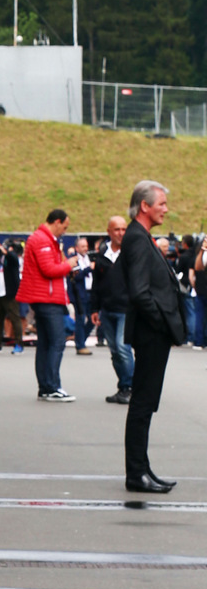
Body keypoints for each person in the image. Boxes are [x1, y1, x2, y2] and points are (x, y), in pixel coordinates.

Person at [120, 181, 184, 492]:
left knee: (146, 403)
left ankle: (142, 469)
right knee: (143, 403)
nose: (166, 209)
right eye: (161, 203)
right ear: (145, 206)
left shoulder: (139, 237)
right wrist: (161, 324)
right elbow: (140, 292)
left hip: (151, 332)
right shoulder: (136, 239)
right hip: (150, 334)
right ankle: (136, 474)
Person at [19, 208, 74, 400]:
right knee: (57, 341)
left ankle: (45, 386)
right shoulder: (42, 240)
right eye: (64, 227)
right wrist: (70, 264)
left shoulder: (41, 239)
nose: (64, 232)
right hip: (47, 298)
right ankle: (52, 386)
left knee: (46, 343)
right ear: (57, 222)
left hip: (42, 297)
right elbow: (49, 269)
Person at [91, 215, 133, 403]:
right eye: (117, 229)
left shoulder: (131, 253)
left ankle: (132, 387)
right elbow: (96, 284)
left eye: (124, 229)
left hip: (126, 309)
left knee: (123, 348)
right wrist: (94, 308)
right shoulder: (102, 255)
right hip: (107, 309)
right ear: (109, 232)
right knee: (114, 350)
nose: (121, 233)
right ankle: (123, 386)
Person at [173, 233, 201, 349]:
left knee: (189, 311)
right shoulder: (196, 254)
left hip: (185, 286)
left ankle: (189, 336)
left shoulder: (183, 257)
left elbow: (178, 271)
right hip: (194, 286)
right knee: (193, 311)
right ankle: (193, 337)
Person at [68, 235, 95, 356]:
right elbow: (76, 276)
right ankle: (80, 345)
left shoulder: (89, 258)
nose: (85, 248)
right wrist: (89, 269)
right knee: (80, 318)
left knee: (93, 319)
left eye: (86, 246)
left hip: (91, 292)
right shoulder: (74, 259)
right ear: (77, 248)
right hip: (79, 293)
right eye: (83, 246)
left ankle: (81, 339)